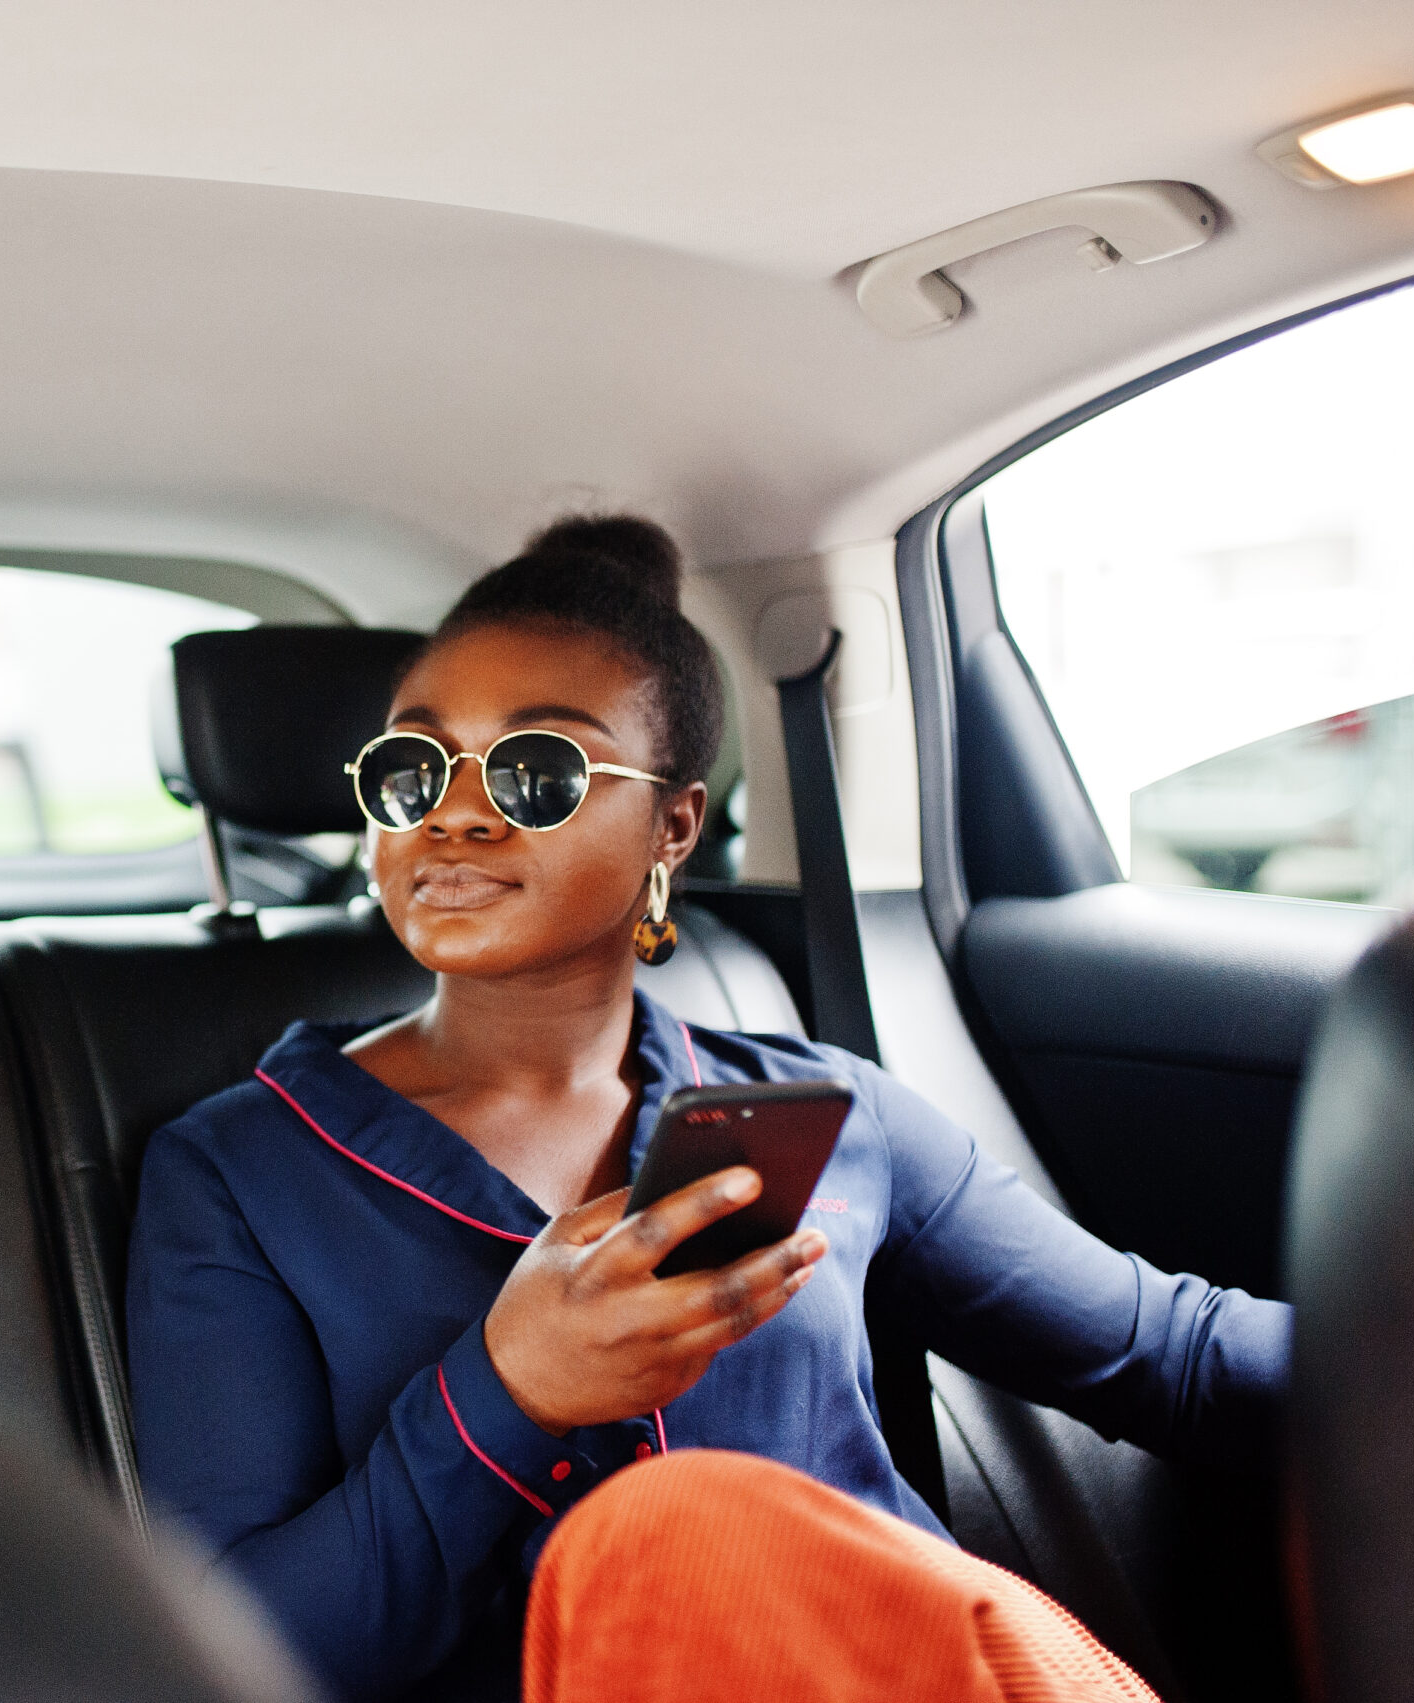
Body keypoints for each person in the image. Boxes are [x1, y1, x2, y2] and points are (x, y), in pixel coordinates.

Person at [125, 515, 1288, 1702]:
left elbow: (1174, 1355)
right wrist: (510, 1390)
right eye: (413, 768)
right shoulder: (235, 1168)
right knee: (671, 1526)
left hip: (907, 1666)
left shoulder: (824, 1110)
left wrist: (1410, 1339)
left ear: (672, 826)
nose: (453, 814)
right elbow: (224, 1654)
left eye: (536, 772)